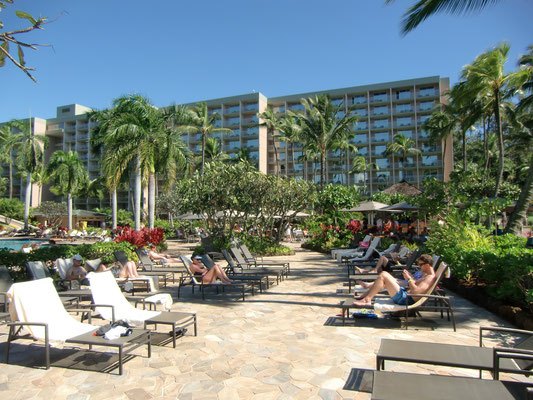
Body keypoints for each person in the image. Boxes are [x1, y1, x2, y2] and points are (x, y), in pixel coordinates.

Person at [352, 254, 435, 306]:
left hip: (405, 299)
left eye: (420, 265)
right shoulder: (426, 275)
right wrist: (410, 277)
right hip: (404, 294)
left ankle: (367, 300)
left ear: (427, 265)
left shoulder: (430, 278)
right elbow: (416, 285)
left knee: (383, 274)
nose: (419, 266)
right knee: (384, 277)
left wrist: (409, 279)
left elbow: (416, 292)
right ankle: (366, 296)